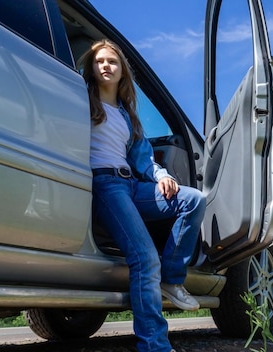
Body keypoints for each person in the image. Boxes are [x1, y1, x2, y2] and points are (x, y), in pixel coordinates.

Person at [78, 39, 205, 352]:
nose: (106, 66)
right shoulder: (81, 100)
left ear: (122, 71)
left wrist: (162, 175)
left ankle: (172, 279)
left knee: (194, 200)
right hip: (104, 185)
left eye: (113, 62)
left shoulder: (126, 114)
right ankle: (155, 346)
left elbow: (142, 157)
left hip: (130, 184)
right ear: (92, 68)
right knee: (145, 259)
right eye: (100, 61)